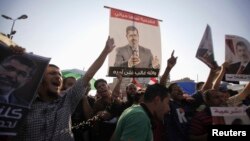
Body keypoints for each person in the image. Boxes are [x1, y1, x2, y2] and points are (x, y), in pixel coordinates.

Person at [14, 36, 115, 141]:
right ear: (40, 79)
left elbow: (88, 75)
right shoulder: (22, 103)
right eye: (52, 73)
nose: (58, 77)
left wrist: (106, 51)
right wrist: (14, 56)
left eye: (60, 75)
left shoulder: (67, 99)